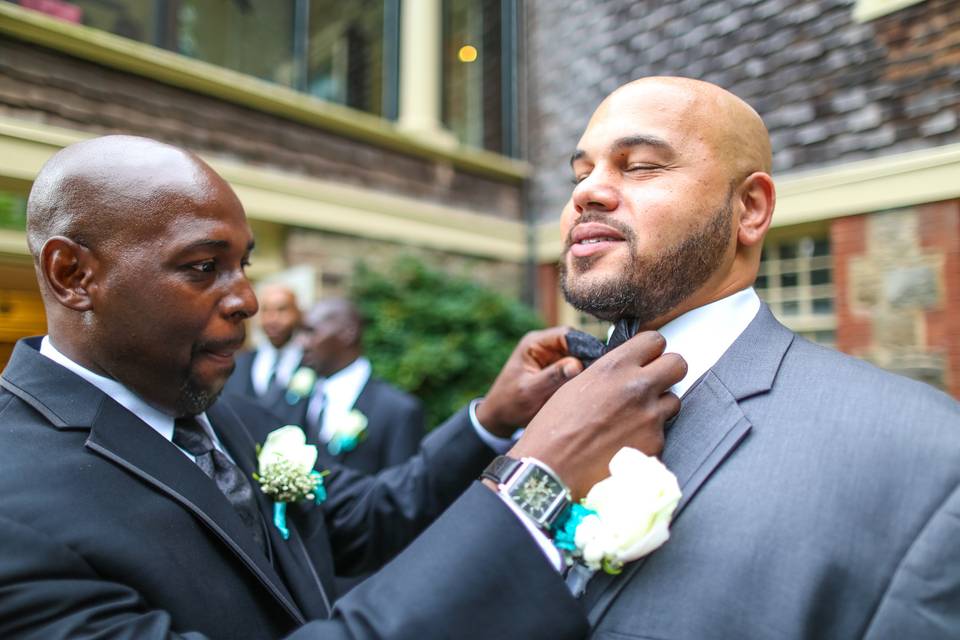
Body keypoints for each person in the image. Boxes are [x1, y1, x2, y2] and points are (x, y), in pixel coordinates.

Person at [0, 134, 686, 639]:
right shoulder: (14, 509)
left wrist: (493, 417)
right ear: (72, 275)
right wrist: (538, 479)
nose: (245, 301)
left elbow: (369, 517)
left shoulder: (234, 417)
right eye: (203, 267)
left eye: (242, 265)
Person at [560, 77, 960, 638]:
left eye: (642, 165)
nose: (587, 193)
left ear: (749, 208)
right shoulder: (546, 409)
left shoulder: (932, 458)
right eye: (580, 175)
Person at [276, 298, 424, 474]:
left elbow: (400, 491)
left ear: (348, 333)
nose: (301, 343)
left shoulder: (398, 410)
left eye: (311, 332)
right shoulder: (293, 396)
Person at [224, 282, 304, 400]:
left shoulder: (311, 363)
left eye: (282, 310)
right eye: (265, 310)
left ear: (298, 314)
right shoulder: (240, 364)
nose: (272, 319)